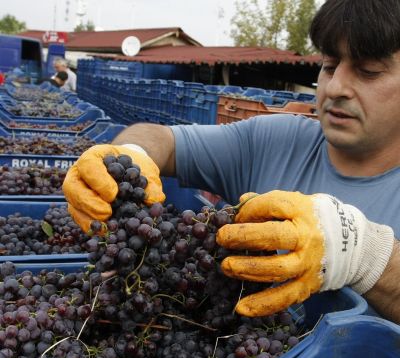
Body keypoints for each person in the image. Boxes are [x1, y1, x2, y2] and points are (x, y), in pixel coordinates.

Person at [63, 0, 400, 323]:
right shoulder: (275, 141)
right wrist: (129, 157)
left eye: (368, 71)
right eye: (328, 65)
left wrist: (366, 256)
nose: (336, 85)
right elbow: (160, 138)